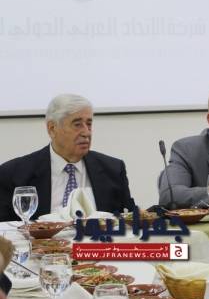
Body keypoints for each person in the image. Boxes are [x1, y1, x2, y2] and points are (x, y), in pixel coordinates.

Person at [0, 94, 135, 222]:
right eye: (77, 124)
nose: (86, 132)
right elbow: (5, 230)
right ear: (52, 129)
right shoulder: (14, 174)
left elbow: (128, 218)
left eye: (89, 124)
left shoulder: (113, 170)